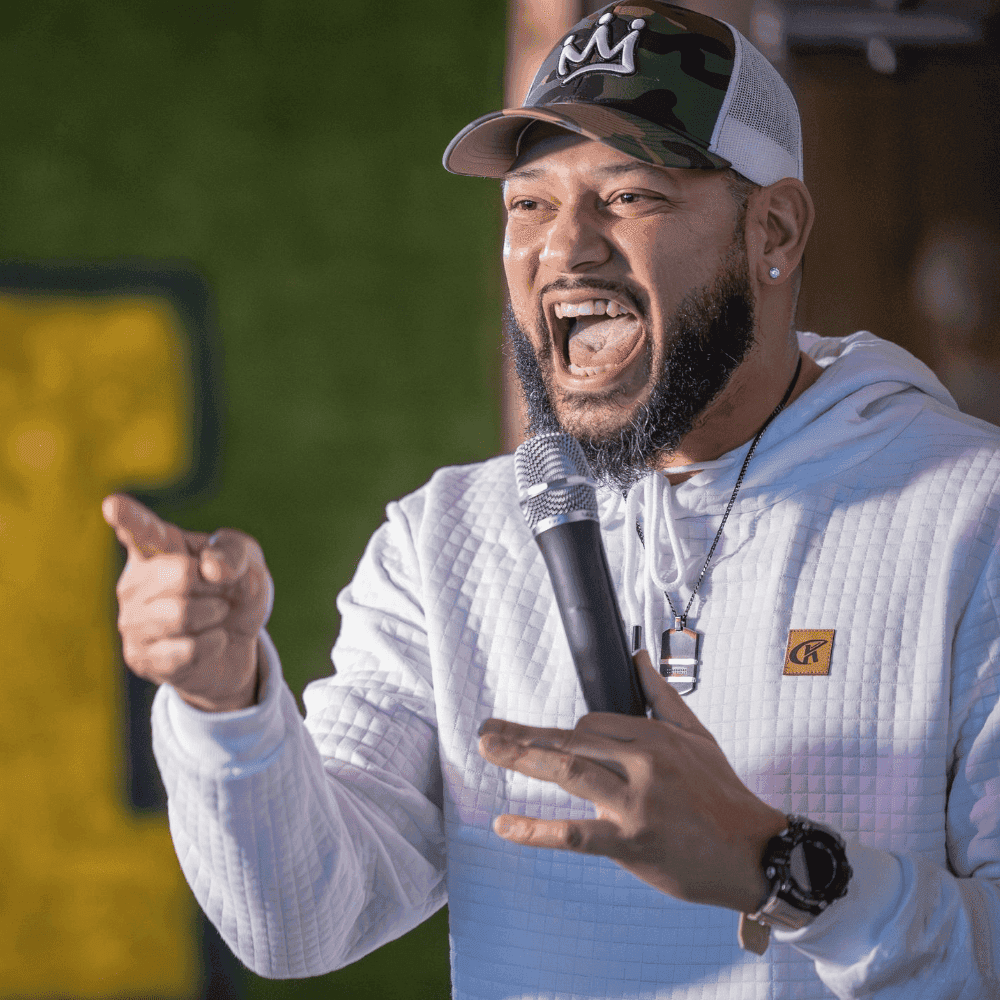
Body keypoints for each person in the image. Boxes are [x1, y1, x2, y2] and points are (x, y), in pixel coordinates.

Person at [103, 4, 1000, 997]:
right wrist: (225, 705)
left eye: (628, 194)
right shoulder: (445, 540)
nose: (564, 249)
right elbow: (298, 918)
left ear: (772, 230)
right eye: (527, 204)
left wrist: (767, 862)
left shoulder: (968, 514)